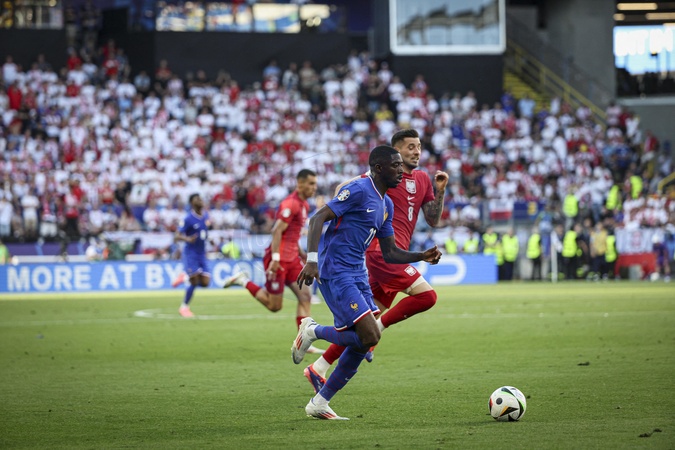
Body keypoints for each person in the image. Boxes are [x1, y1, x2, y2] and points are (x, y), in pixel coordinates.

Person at [292, 145, 443, 420]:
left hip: (358, 273)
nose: (401, 171)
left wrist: (421, 256)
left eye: (401, 166)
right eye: (395, 166)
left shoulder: (387, 204)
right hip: (336, 271)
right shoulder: (359, 190)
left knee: (364, 341)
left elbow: (390, 252)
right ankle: (312, 330)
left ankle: (320, 403)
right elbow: (317, 218)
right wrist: (312, 261)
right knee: (370, 336)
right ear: (378, 168)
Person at [223, 170, 323, 352]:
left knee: (305, 296)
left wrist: (302, 254)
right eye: (311, 184)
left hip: (292, 259)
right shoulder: (290, 203)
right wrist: (276, 259)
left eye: (315, 184)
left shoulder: (303, 205)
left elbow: (292, 234)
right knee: (274, 305)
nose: (314, 187)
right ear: (299, 184)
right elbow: (277, 231)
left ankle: (303, 342)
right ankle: (243, 280)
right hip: (278, 259)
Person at [174, 193, 211, 318]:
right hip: (191, 253)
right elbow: (176, 236)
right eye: (197, 199)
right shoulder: (188, 219)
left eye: (201, 198)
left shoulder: (206, 216)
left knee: (205, 282)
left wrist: (209, 239)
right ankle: (184, 307)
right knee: (194, 281)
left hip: (202, 253)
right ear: (192, 203)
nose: (200, 200)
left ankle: (184, 277)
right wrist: (188, 239)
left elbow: (204, 232)